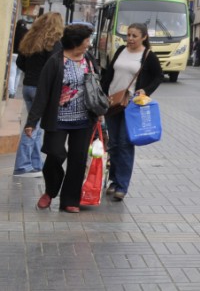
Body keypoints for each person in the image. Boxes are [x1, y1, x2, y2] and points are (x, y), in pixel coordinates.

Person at [24, 23, 100, 212]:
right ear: (76, 42)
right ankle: (50, 192)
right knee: (55, 154)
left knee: (78, 160)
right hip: (57, 119)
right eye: (86, 40)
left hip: (83, 120)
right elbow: (42, 93)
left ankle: (70, 201)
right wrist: (32, 122)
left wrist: (99, 114)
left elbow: (97, 86)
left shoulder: (88, 59)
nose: (89, 43)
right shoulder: (56, 61)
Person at [100, 23, 164, 202]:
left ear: (144, 37)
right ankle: (113, 180)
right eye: (128, 35)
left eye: (134, 36)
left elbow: (159, 76)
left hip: (131, 106)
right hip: (112, 103)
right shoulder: (121, 50)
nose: (130, 38)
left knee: (125, 144)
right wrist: (102, 95)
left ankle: (122, 186)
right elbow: (109, 74)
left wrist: (146, 90)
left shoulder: (147, 55)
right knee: (112, 144)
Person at [13, 12, 65, 178]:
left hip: (28, 86)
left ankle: (35, 163)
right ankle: (22, 165)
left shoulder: (30, 39)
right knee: (33, 127)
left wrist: (31, 74)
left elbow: (20, 62)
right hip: (41, 90)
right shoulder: (54, 43)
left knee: (36, 125)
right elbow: (55, 67)